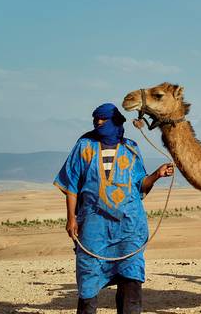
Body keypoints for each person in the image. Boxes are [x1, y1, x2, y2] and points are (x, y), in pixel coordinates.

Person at [54, 103, 174, 314]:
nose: (99, 124)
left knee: (131, 278)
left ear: (116, 122)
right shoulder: (85, 146)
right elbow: (72, 184)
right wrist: (71, 218)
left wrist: (156, 175)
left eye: (103, 120)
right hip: (93, 227)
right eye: (96, 120)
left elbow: (140, 185)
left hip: (129, 227)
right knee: (88, 279)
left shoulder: (131, 148)